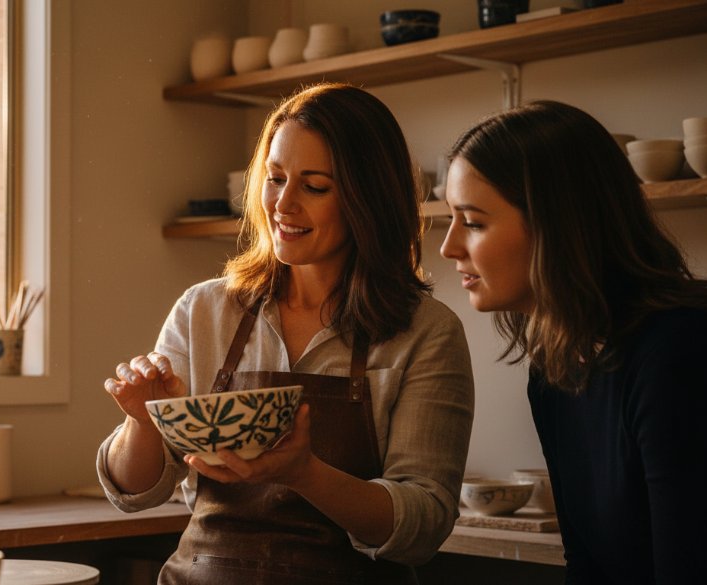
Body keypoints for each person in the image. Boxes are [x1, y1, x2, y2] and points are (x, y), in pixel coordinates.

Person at [97, 82, 475, 584]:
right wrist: (141, 421)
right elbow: (133, 491)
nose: (283, 204)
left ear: (369, 198)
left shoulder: (427, 332)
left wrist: (304, 474)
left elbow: (423, 525)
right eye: (275, 179)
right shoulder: (205, 310)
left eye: (314, 186)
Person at [439, 100, 707, 584]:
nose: (448, 247)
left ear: (557, 223)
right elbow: (587, 565)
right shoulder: (554, 369)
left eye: (474, 222)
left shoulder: (684, 349)